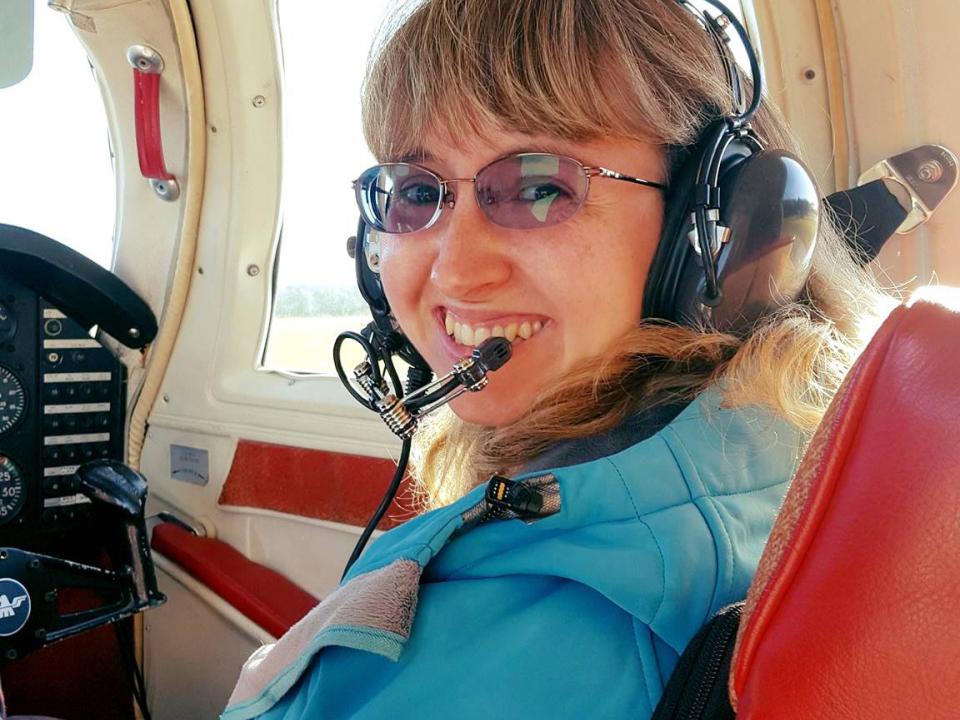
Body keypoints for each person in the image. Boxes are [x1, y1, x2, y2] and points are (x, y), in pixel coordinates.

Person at [224, 1, 889, 718]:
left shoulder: (547, 641)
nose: (454, 272)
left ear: (720, 230)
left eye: (540, 186)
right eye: (419, 192)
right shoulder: (793, 464)